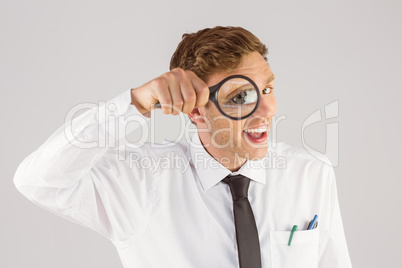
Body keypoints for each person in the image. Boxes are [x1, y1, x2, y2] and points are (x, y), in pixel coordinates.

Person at [13, 26, 352, 268]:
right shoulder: (139, 182)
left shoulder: (311, 172)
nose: (267, 111)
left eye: (267, 90)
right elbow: (38, 181)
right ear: (194, 109)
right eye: (241, 97)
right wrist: (134, 104)